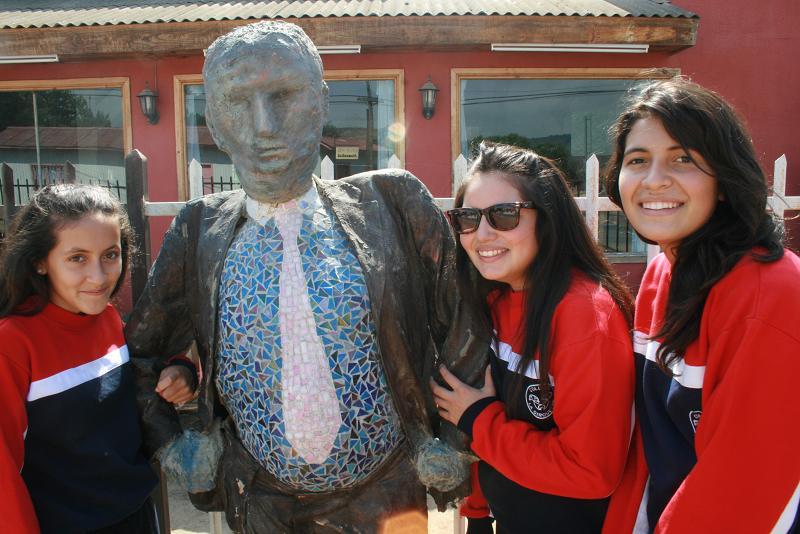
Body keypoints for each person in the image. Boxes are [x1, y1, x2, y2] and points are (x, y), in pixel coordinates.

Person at [124, 21, 488, 533]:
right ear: (215, 123)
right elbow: (139, 352)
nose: (264, 126)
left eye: (285, 95)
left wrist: (453, 441)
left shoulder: (392, 205)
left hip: (385, 493)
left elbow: (464, 319)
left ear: (322, 102)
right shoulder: (198, 230)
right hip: (263, 500)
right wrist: (171, 444)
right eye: (237, 102)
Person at [601, 77, 800, 533]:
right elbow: (652, 446)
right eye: (638, 160)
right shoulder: (661, 274)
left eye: (683, 159)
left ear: (725, 181)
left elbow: (745, 490)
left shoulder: (773, 294)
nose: (654, 180)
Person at [431, 142, 636, 533]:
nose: (482, 234)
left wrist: (478, 419)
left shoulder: (584, 316)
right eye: (467, 218)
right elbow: (489, 419)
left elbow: (591, 471)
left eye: (504, 215)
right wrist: (477, 511)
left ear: (548, 219)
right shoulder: (493, 299)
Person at [0, 184, 187, 533]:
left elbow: (146, 366)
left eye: (110, 255)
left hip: (136, 515)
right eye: (77, 258)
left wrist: (181, 369)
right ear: (40, 261)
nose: (99, 277)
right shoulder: (12, 344)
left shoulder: (108, 318)